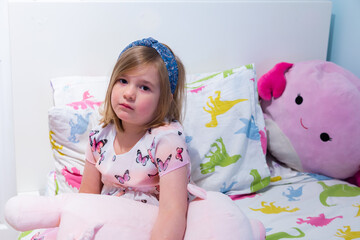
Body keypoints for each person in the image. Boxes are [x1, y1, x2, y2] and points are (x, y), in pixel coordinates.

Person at [79, 37, 194, 240]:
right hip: (106, 222)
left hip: (148, 226)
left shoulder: (167, 142)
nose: (129, 93)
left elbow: (173, 212)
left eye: (144, 87)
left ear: (165, 100)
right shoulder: (98, 137)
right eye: (123, 81)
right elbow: (87, 196)